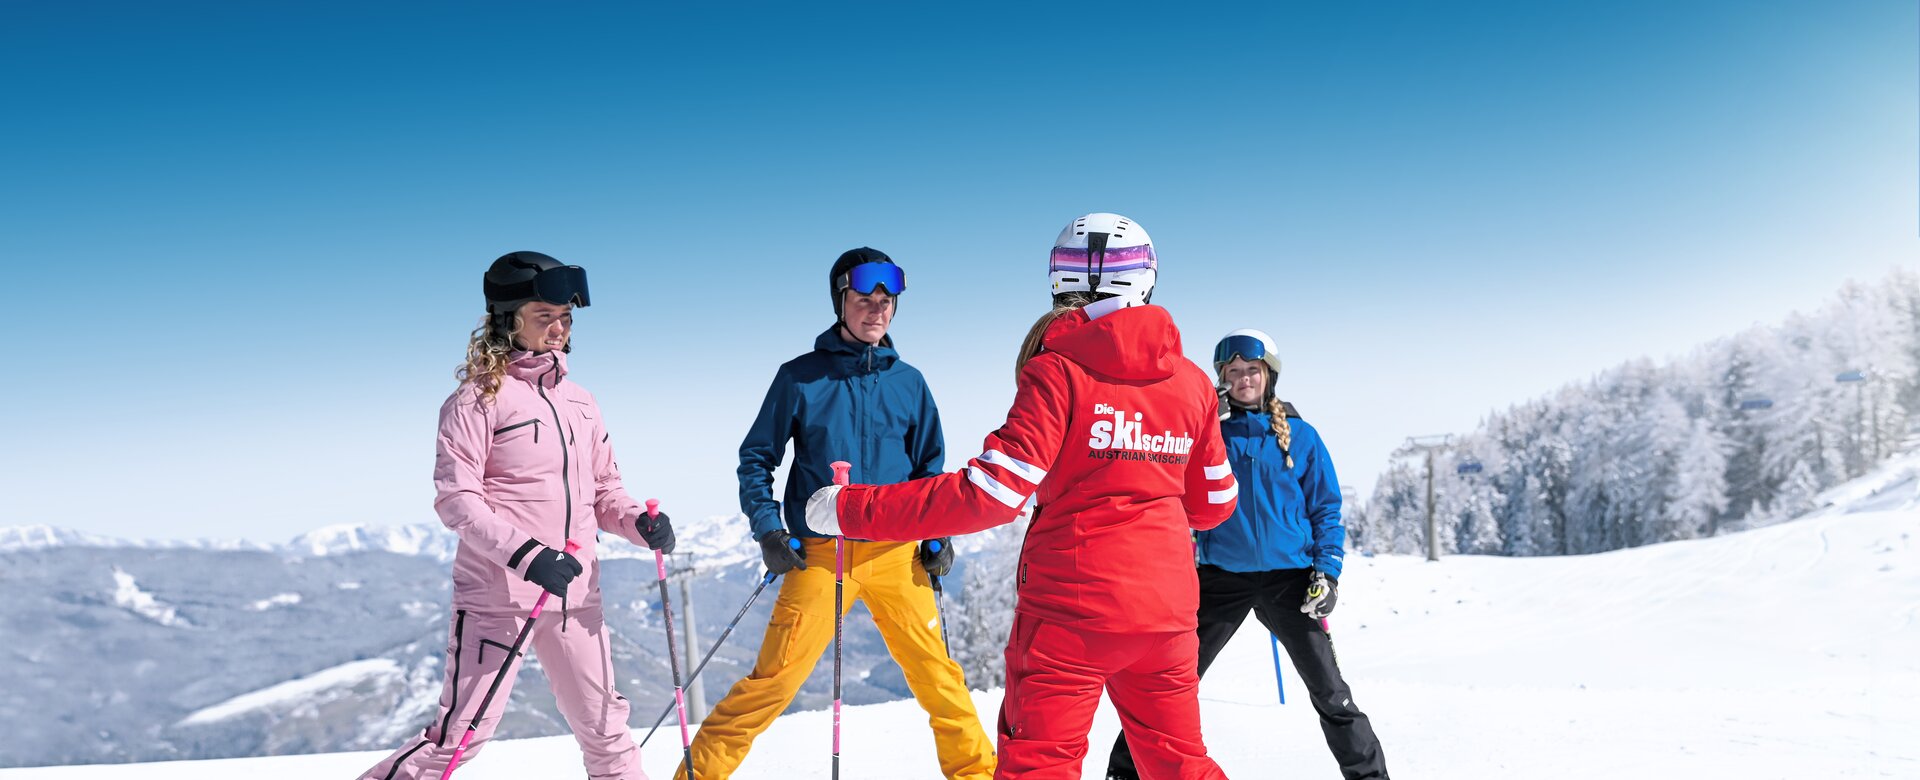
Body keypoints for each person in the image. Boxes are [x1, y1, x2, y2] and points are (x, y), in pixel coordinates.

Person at [804, 214, 1240, 779]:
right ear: (1147, 278)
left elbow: (990, 492)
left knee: (1040, 765)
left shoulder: (1058, 371)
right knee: (1180, 763)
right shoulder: (1192, 383)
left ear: (1061, 279)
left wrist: (851, 509)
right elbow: (1213, 505)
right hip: (1167, 616)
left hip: (1071, 615)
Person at [675, 248, 997, 780]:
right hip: (823, 555)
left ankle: (979, 775)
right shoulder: (801, 378)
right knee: (772, 683)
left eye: (885, 301)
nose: (876, 311)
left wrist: (935, 537)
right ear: (840, 302)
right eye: (863, 300)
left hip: (896, 554)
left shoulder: (909, 383)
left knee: (940, 679)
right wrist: (768, 529)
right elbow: (757, 458)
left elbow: (929, 472)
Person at [359, 251, 676, 780]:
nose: (559, 328)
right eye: (544, 315)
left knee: (607, 731)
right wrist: (528, 558)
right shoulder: (476, 401)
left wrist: (637, 526)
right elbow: (456, 501)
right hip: (499, 598)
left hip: (576, 594)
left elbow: (604, 491)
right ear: (508, 320)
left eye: (566, 317)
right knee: (457, 740)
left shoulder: (581, 402)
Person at [1105, 328, 1389, 780]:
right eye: (1233, 372)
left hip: (1292, 581)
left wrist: (1327, 573)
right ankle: (1124, 773)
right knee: (1164, 688)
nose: (1243, 379)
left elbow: (1326, 508)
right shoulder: (1207, 434)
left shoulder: (1301, 436)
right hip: (1221, 578)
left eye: (1251, 370)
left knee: (1332, 693)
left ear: (1268, 375)